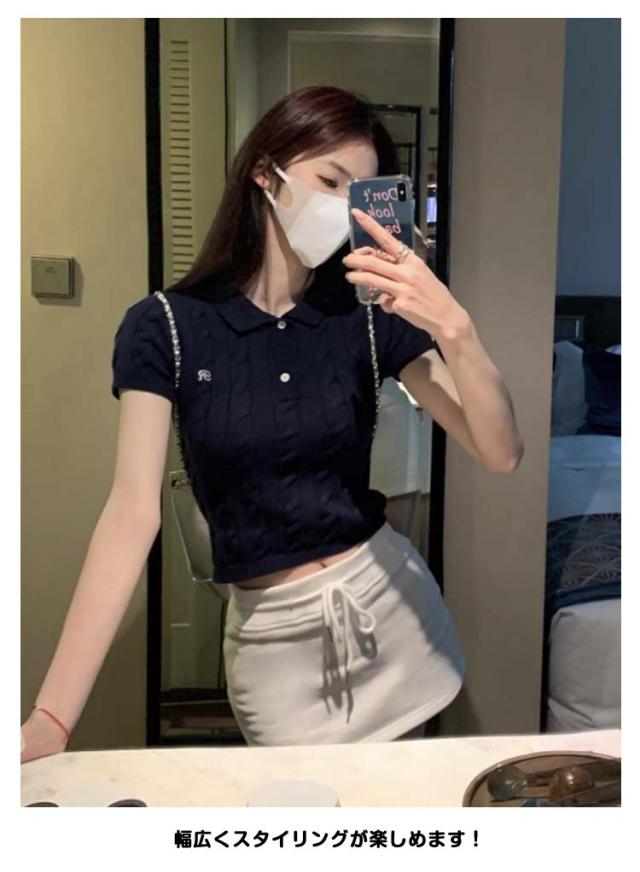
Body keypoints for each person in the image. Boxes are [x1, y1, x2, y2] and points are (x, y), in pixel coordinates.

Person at [21, 86, 524, 758]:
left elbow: (499, 452)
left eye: (358, 193)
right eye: (329, 181)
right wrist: (52, 717)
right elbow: (130, 514)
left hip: (396, 624)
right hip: (274, 656)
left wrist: (453, 327)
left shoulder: (366, 313)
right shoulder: (165, 326)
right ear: (266, 172)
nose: (341, 208)